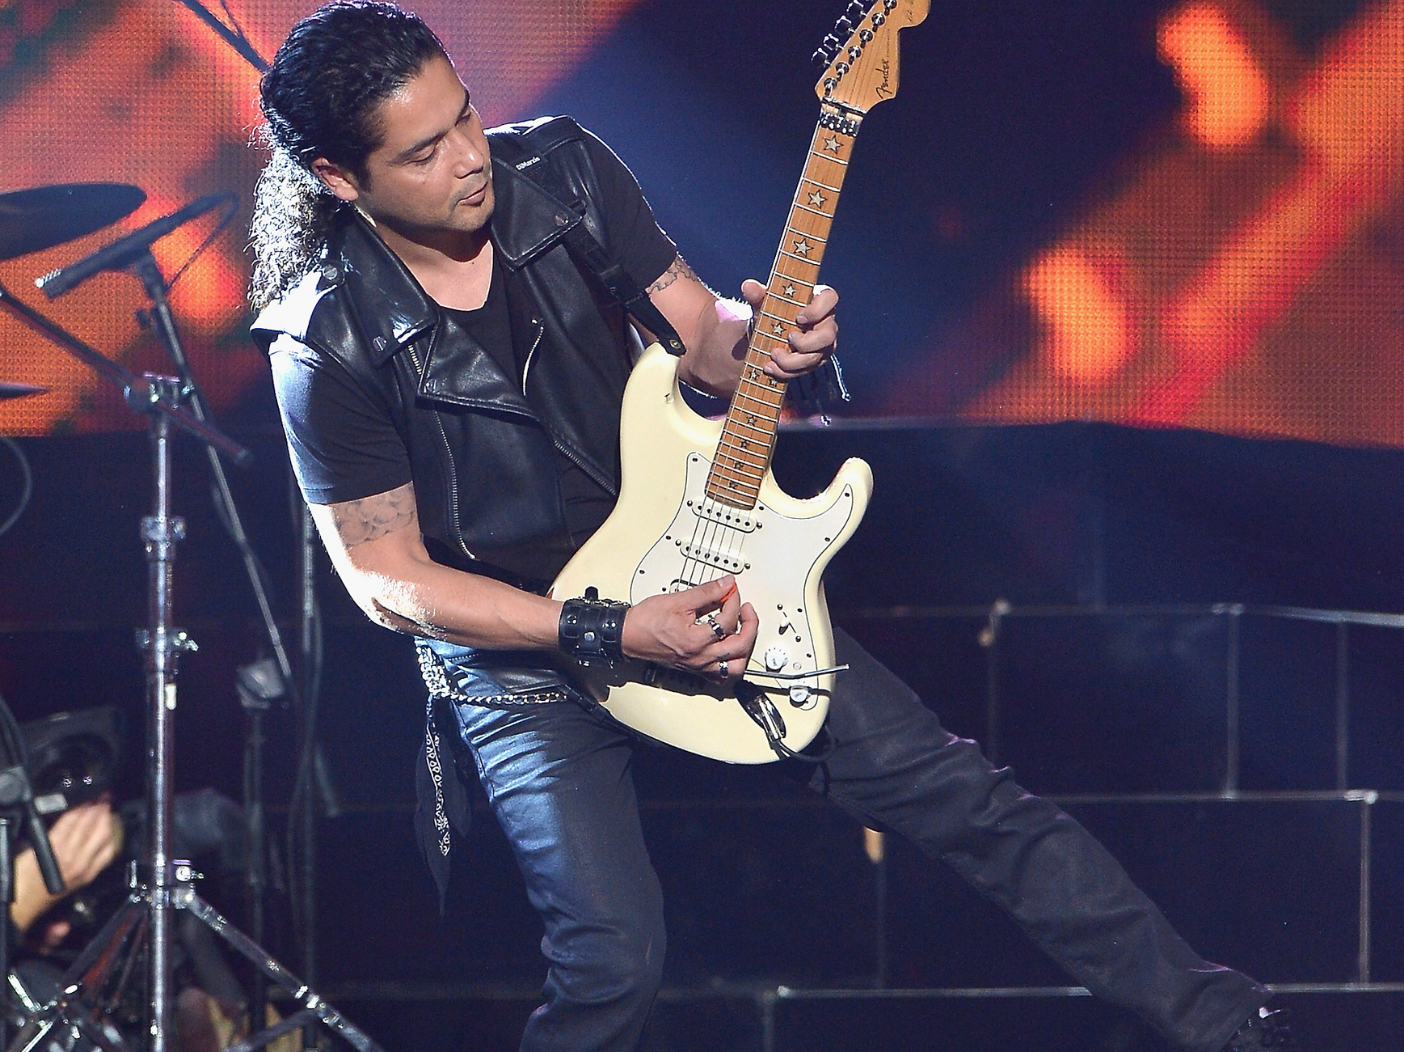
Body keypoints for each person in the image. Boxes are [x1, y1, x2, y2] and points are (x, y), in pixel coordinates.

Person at [249, 4, 1299, 1051]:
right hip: (530, 656)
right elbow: (387, 576)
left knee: (969, 800)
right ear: (341, 177)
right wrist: (608, 629)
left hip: (701, 566)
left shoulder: (561, 168)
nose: (471, 158)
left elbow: (699, 330)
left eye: (466, 117)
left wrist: (766, 338)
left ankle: (1228, 1026)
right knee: (612, 958)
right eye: (425, 152)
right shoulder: (323, 336)